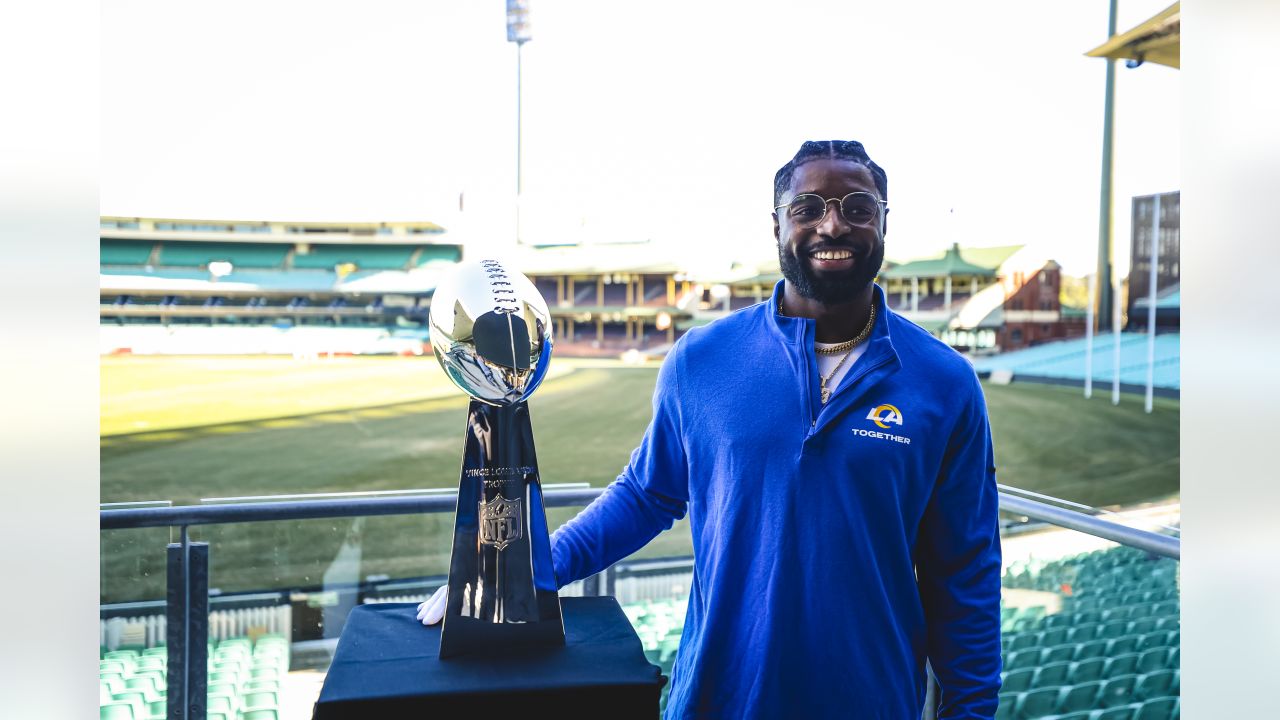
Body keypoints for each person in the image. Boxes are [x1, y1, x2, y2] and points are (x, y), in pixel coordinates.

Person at [420, 140, 1002, 719]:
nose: (832, 224)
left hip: (871, 702)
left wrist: (971, 711)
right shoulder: (702, 359)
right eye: (807, 208)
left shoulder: (944, 383)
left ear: (882, 222)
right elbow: (645, 495)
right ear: (776, 225)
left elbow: (964, 571)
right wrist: (520, 573)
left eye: (857, 207)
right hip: (718, 699)